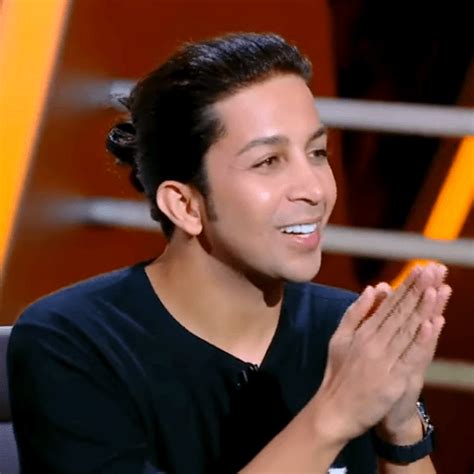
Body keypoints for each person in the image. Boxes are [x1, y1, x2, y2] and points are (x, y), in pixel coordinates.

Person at [7, 32, 451, 473]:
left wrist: (400, 426)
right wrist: (334, 414)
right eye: (268, 162)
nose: (315, 189)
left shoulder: (348, 330)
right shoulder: (73, 343)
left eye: (317, 153)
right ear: (185, 205)